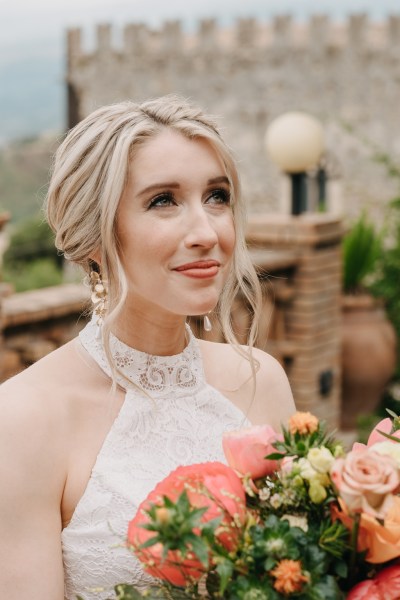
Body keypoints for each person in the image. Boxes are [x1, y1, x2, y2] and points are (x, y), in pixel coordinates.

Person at [0, 96, 295, 599]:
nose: (206, 232)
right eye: (163, 201)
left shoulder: (260, 381)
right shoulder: (23, 419)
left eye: (217, 196)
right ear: (94, 234)